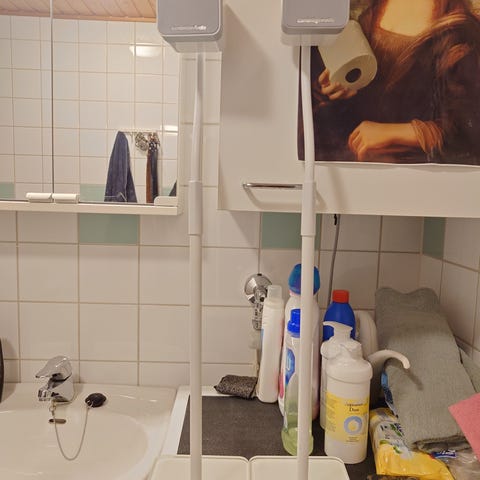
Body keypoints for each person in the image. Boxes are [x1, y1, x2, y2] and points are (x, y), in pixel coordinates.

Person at [300, 0, 480, 165]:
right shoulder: (371, 15)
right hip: (357, 165)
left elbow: (467, 132)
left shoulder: (460, 32)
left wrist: (393, 133)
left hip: (419, 171)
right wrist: (335, 88)